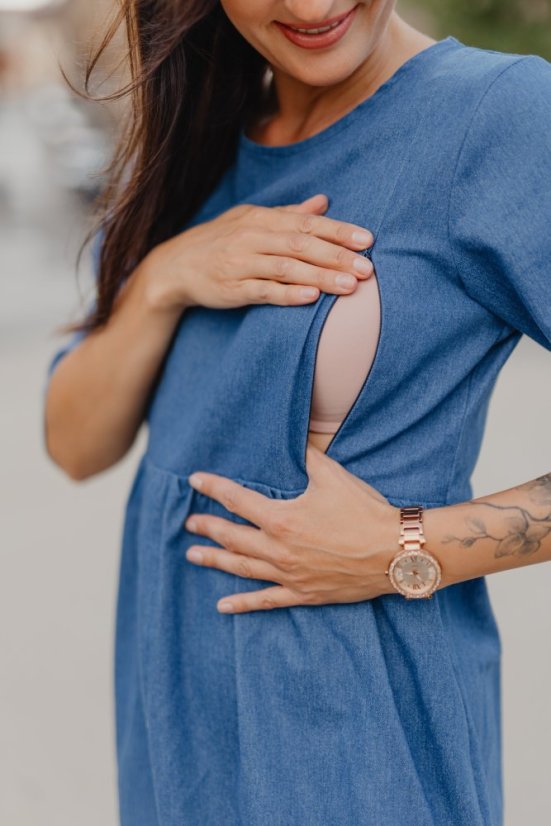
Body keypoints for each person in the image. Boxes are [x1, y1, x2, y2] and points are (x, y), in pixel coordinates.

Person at [43, 2, 551, 824]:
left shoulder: (498, 117)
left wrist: (407, 545)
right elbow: (73, 442)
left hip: (360, 750)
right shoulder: (193, 132)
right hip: (179, 736)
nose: (311, 6)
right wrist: (165, 277)